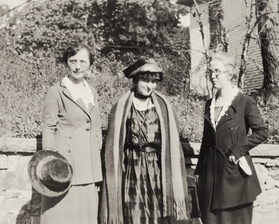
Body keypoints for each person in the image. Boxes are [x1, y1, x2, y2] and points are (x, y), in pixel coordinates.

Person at [100, 58, 190, 224]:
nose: (150, 86)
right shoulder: (120, 107)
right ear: (136, 80)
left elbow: (172, 143)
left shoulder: (164, 107)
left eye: (153, 81)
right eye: (146, 80)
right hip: (131, 168)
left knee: (157, 211)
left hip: (157, 167)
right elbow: (113, 143)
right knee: (132, 212)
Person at [195, 52, 268, 224]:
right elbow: (206, 141)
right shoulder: (209, 104)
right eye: (210, 72)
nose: (213, 76)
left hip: (235, 179)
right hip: (211, 179)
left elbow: (262, 132)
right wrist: (199, 172)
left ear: (229, 73)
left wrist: (238, 149)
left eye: (217, 72)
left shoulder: (244, 102)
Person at [41, 43, 102, 224]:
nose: (77, 66)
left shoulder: (92, 92)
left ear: (90, 64)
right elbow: (49, 126)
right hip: (65, 165)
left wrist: (96, 148)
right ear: (66, 63)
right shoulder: (56, 91)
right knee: (61, 216)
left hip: (89, 167)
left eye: (83, 62)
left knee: (85, 216)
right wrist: (50, 160)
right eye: (73, 61)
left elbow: (96, 126)